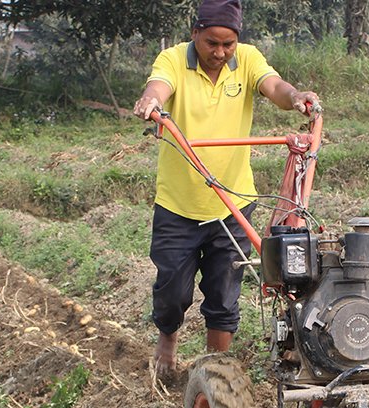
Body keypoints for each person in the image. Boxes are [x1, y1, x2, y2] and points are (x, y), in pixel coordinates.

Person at [133, 0, 320, 376]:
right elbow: (160, 86)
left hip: (232, 203)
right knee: (172, 293)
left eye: (228, 45)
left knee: (224, 293)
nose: (220, 53)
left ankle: (213, 369)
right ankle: (167, 339)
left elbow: (274, 86)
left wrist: (296, 97)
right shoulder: (172, 60)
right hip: (178, 206)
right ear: (195, 35)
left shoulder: (248, 60)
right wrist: (152, 101)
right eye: (212, 43)